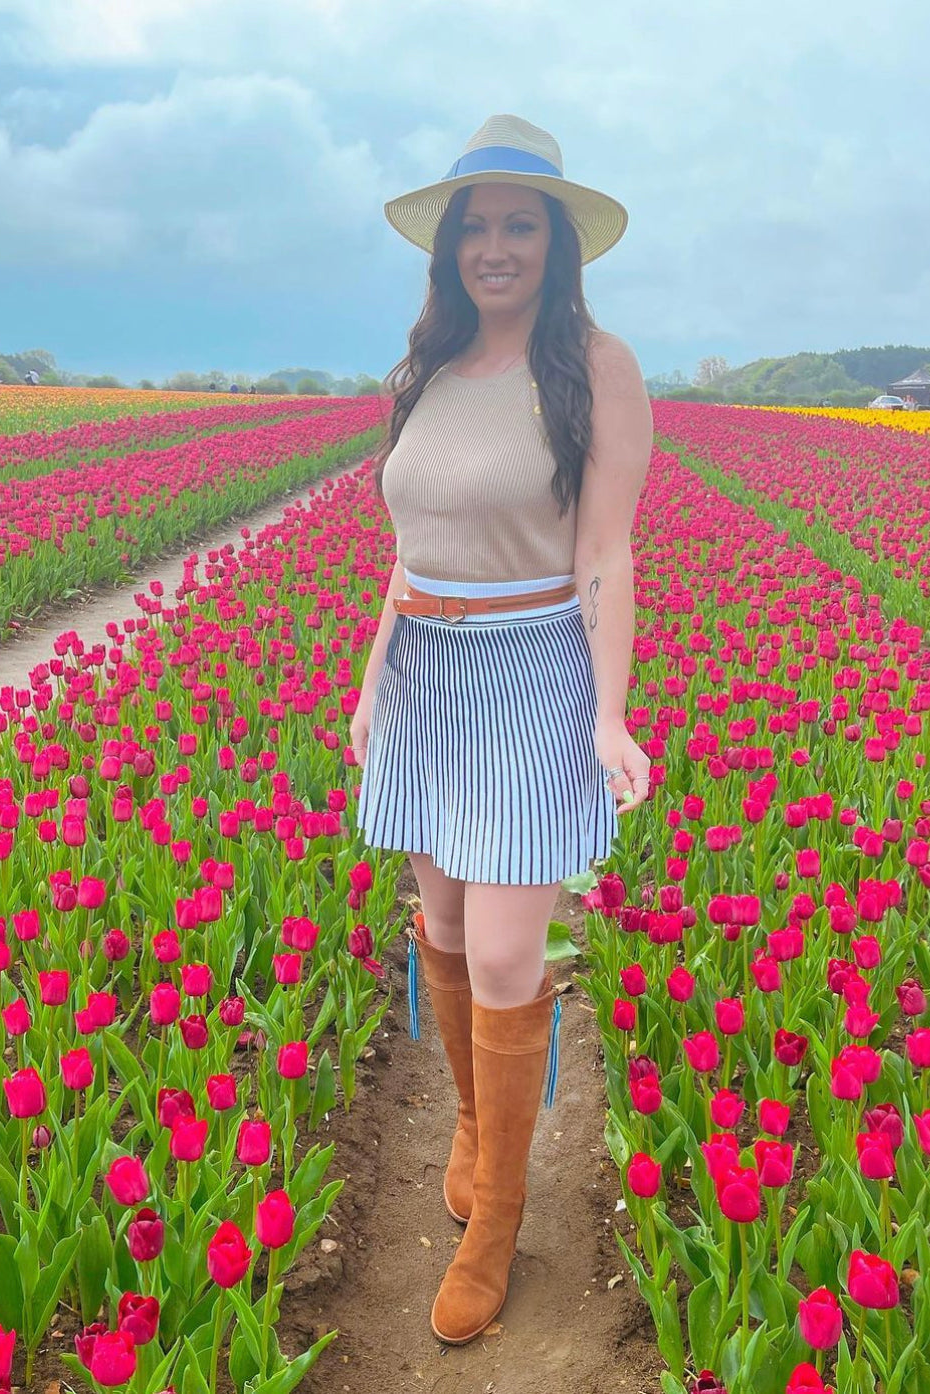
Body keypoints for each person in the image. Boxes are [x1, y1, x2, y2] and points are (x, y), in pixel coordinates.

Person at [351, 114, 653, 1348]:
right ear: (450, 248)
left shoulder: (595, 366)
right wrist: (373, 682)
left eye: (518, 225)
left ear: (557, 240)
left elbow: (605, 551)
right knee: (445, 926)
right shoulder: (427, 366)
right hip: (424, 668)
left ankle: (495, 1223)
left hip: (532, 670)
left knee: (516, 958)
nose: (494, 245)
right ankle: (475, 1123)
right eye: (476, 227)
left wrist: (612, 712)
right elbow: (407, 553)